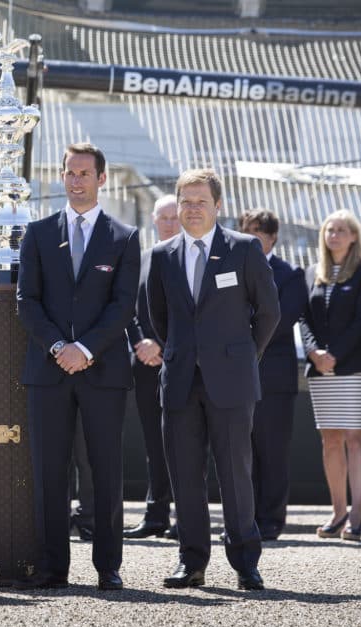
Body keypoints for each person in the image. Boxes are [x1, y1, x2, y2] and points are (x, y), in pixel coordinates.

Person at [147, 168, 279, 591]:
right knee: (185, 476)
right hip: (181, 380)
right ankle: (192, 563)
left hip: (232, 381)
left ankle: (246, 563)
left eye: (201, 201)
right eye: (185, 201)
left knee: (235, 474)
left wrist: (243, 357)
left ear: (218, 206)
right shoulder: (162, 255)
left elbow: (269, 313)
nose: (192, 209)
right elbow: (158, 317)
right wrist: (184, 354)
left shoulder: (243, 250)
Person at [15, 142, 140, 590]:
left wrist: (84, 349)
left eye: (85, 173)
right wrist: (57, 347)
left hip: (102, 372)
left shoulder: (124, 237)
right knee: (50, 471)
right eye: (69, 172)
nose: (76, 180)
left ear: (101, 179)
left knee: (105, 470)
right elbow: (26, 302)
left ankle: (108, 566)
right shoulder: (39, 232)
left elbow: (123, 307)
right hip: (48, 371)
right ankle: (52, 568)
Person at [300, 210, 361, 541]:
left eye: (341, 230)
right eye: (329, 229)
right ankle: (338, 512)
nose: (334, 234)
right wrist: (314, 354)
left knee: (354, 437)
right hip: (320, 370)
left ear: (353, 236)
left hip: (352, 368)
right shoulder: (312, 273)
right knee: (330, 439)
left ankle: (358, 515)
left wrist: (335, 355)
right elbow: (303, 320)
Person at [238, 208, 308, 542]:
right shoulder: (231, 267)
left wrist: (240, 337)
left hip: (274, 378)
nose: (252, 236)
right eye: (247, 230)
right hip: (235, 376)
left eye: (259, 231)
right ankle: (245, 517)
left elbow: (281, 319)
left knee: (272, 451)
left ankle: (271, 519)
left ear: (272, 236)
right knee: (241, 451)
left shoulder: (290, 274)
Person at [123, 194, 180, 540]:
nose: (170, 223)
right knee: (153, 442)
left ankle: (186, 516)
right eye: (164, 218)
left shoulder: (190, 259)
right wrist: (140, 342)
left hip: (181, 362)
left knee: (186, 442)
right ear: (154, 221)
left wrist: (163, 344)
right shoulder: (142, 260)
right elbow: (127, 308)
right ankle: (155, 513)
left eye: (175, 217)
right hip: (144, 365)